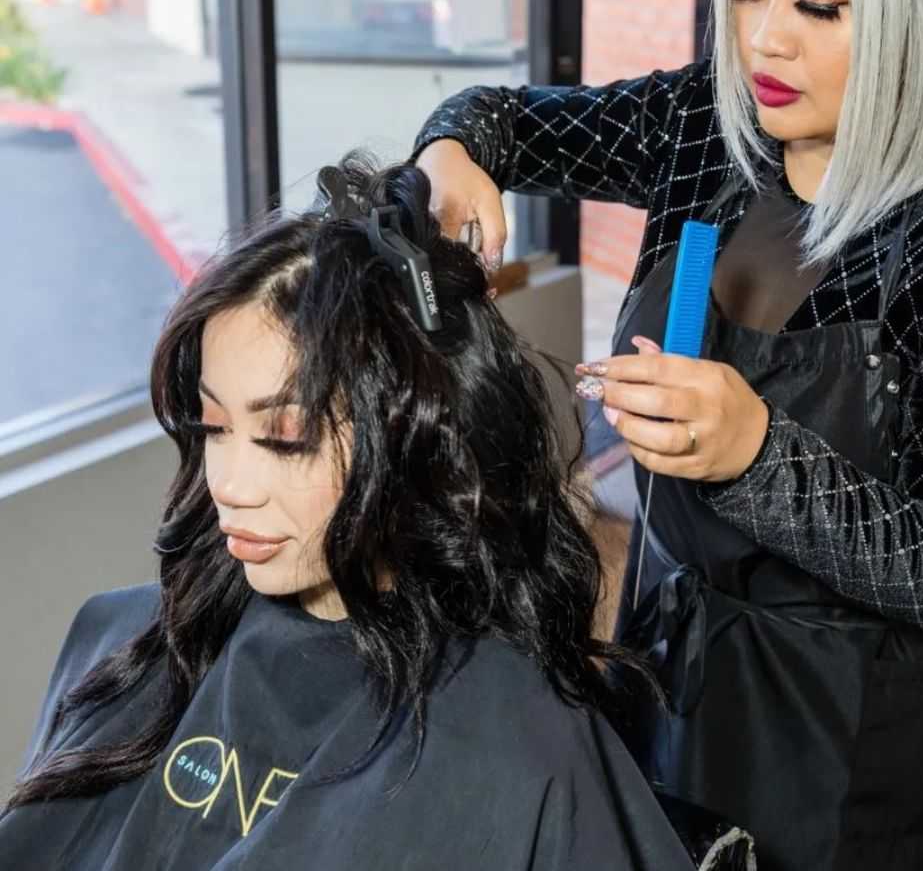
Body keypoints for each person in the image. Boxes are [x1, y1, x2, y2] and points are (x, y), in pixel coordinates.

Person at [409, 0, 923, 869]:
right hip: (665, 647)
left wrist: (756, 453)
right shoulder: (702, 132)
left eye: (822, 6)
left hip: (844, 723)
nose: (764, 38)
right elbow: (497, 120)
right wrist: (450, 152)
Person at [0, 155, 703, 871]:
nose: (230, 485)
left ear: (407, 440)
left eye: (285, 438)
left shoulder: (513, 741)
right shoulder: (117, 645)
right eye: (213, 428)